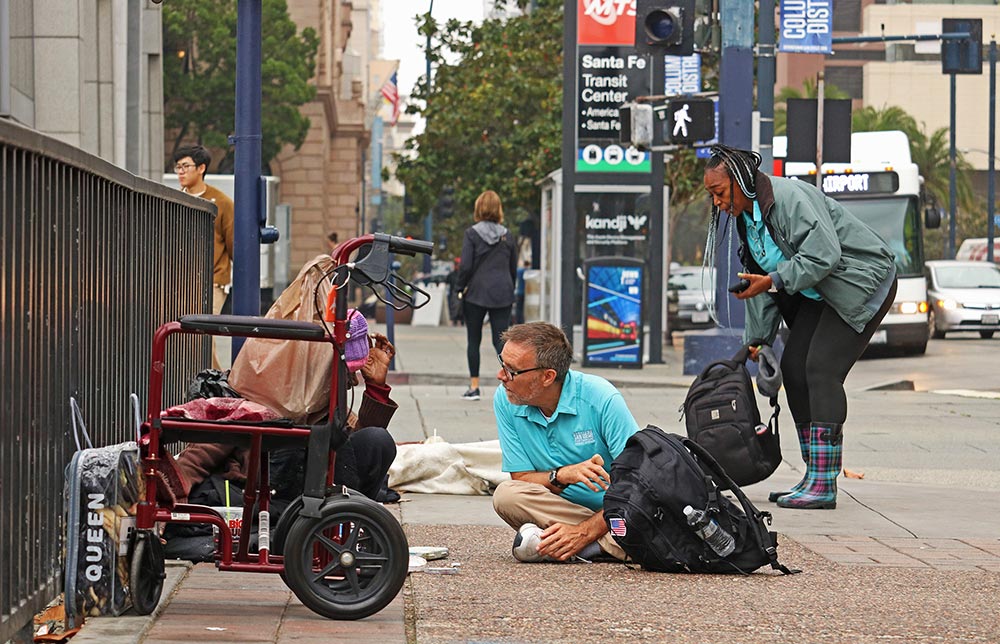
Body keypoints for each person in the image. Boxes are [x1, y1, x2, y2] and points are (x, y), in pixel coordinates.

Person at [702, 144, 897, 510]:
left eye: (720, 193)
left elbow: (824, 254)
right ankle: (813, 475)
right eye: (712, 195)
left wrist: (773, 279)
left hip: (864, 281)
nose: (717, 203)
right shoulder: (748, 219)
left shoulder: (788, 199)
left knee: (820, 370)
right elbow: (759, 280)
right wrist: (758, 340)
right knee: (793, 369)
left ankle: (824, 484)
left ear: (742, 182)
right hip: (822, 291)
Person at [491, 322, 640, 562]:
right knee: (506, 495)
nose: (501, 376)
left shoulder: (601, 398)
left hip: (615, 510)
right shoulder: (507, 399)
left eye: (511, 371)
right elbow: (522, 479)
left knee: (643, 522)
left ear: (548, 376)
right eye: (502, 364)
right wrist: (560, 476)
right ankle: (596, 545)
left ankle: (582, 543)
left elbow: (640, 484)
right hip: (562, 509)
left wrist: (585, 531)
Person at [173, 145, 234, 367]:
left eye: (185, 166)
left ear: (201, 168)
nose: (180, 172)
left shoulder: (222, 203)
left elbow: (233, 244)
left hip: (213, 281)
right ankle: (209, 382)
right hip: (181, 280)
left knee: (200, 334)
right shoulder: (174, 200)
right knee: (184, 335)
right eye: (178, 167)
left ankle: (214, 384)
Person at [457, 190, 517, 401]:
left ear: (478, 208)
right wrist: (510, 289)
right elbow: (513, 267)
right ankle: (513, 382)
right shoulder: (507, 235)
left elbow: (465, 266)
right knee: (501, 341)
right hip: (503, 292)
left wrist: (459, 287)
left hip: (476, 292)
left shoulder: (471, 234)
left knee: (474, 339)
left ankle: (474, 387)